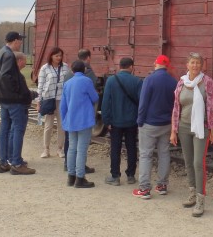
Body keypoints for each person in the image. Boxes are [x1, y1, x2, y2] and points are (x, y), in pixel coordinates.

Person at [170, 52, 213, 217]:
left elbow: (212, 107)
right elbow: (177, 108)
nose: (195, 65)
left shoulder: (207, 83)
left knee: (199, 163)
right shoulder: (181, 83)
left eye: (198, 63)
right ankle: (191, 193)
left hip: (201, 128)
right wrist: (173, 130)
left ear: (202, 65)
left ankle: (200, 199)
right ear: (187, 65)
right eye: (192, 62)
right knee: (188, 162)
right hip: (183, 127)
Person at [133, 55, 177, 199]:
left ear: (155, 64)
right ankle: (162, 185)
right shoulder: (173, 81)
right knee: (164, 153)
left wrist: (140, 120)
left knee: (146, 154)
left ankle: (144, 189)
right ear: (167, 66)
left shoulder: (149, 79)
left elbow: (143, 102)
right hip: (166, 123)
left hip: (149, 123)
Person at [0, 31, 35, 175]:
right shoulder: (9, 55)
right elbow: (5, 76)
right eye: (20, 41)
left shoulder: (0, 53)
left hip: (2, 98)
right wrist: (18, 91)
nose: (21, 43)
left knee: (5, 129)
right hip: (12, 99)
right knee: (17, 129)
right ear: (15, 41)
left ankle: (4, 162)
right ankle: (16, 163)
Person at [101, 57, 142, 186]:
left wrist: (106, 120)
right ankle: (130, 175)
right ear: (131, 67)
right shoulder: (137, 81)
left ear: (120, 66)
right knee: (131, 147)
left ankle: (115, 176)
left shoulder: (111, 81)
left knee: (115, 148)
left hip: (115, 121)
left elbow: (106, 102)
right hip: (131, 121)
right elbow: (141, 103)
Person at [60, 60, 99, 188]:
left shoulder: (67, 83)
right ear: (84, 70)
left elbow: (63, 105)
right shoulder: (87, 81)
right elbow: (95, 98)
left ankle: (71, 177)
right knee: (81, 150)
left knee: (72, 148)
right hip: (84, 120)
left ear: (72, 70)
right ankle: (80, 178)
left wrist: (64, 119)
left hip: (71, 120)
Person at [36, 47, 69, 159]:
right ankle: (46, 149)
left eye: (60, 56)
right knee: (48, 125)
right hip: (49, 99)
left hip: (61, 99)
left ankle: (60, 149)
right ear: (51, 56)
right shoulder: (45, 68)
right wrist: (39, 101)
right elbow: (40, 86)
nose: (59, 58)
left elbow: (68, 82)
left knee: (61, 125)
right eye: (56, 56)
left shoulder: (65, 67)